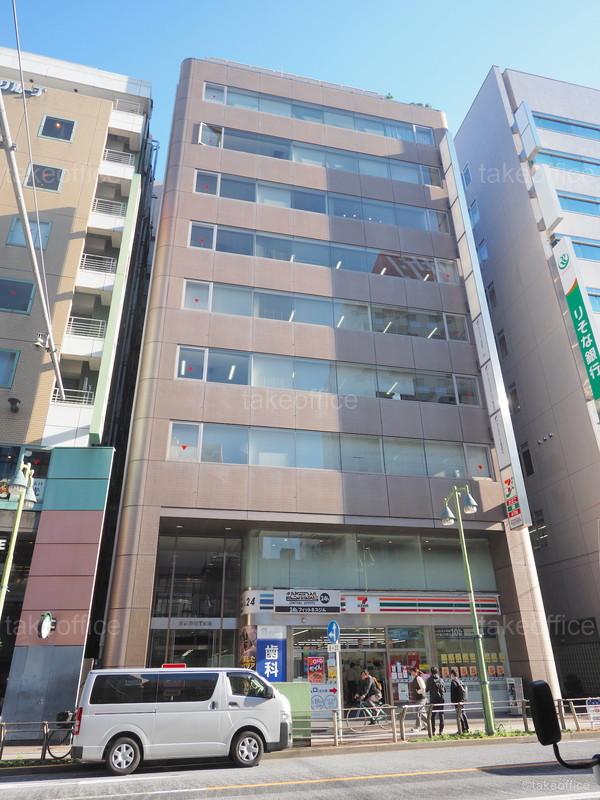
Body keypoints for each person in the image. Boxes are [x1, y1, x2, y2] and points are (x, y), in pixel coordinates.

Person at [426, 666, 446, 735]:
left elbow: (427, 690)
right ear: (437, 672)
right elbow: (445, 690)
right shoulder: (441, 679)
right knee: (441, 714)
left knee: (432, 715)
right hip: (441, 699)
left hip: (433, 700)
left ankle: (433, 731)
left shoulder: (429, 680)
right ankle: (441, 731)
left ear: (431, 672)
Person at [450, 668, 469, 733]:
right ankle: (466, 728)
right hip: (462, 700)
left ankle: (462, 729)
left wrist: (452, 702)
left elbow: (453, 693)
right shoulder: (460, 681)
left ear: (452, 674)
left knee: (459, 715)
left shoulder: (453, 682)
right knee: (463, 713)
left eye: (450, 675)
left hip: (457, 701)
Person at [409, 667, 427, 731]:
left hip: (421, 698)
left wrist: (418, 692)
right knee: (422, 713)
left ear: (415, 672)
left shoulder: (418, 678)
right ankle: (428, 724)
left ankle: (418, 726)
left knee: (418, 712)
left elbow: (423, 688)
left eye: (412, 672)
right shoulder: (415, 678)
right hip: (418, 698)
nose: (411, 673)